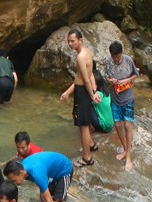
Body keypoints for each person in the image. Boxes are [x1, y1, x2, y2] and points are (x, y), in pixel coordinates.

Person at [59, 28, 100, 167]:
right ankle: (92, 145)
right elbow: (86, 76)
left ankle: (87, 158)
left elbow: (86, 79)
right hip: (81, 90)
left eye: (73, 41)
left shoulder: (81, 57)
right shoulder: (86, 52)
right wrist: (68, 92)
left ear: (80, 40)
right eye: (68, 41)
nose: (70, 44)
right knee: (83, 122)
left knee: (83, 126)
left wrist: (92, 95)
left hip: (82, 93)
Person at [2, 153, 76, 202]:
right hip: (51, 171)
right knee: (43, 196)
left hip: (64, 169)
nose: (13, 183)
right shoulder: (22, 168)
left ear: (21, 173)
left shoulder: (36, 174)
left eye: (14, 180)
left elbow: (48, 199)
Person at [103, 41, 140, 171]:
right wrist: (110, 80)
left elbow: (136, 74)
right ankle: (125, 149)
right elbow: (106, 77)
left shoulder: (128, 61)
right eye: (114, 57)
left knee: (127, 125)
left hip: (128, 97)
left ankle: (128, 156)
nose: (116, 59)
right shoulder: (108, 62)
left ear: (121, 53)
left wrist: (126, 80)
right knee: (118, 125)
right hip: (115, 97)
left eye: (118, 56)